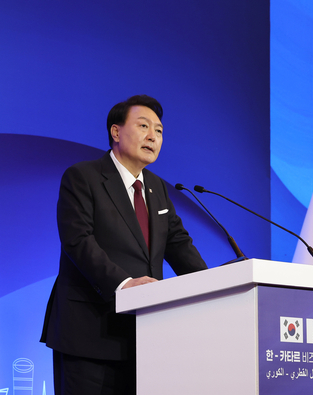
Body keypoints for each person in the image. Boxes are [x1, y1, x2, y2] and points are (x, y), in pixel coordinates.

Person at [40, 95, 207, 394]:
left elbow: (179, 245)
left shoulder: (157, 189)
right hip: (90, 331)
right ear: (116, 132)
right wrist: (124, 283)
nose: (153, 136)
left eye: (159, 130)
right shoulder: (83, 177)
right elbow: (78, 241)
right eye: (143, 126)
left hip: (145, 335)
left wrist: (214, 285)